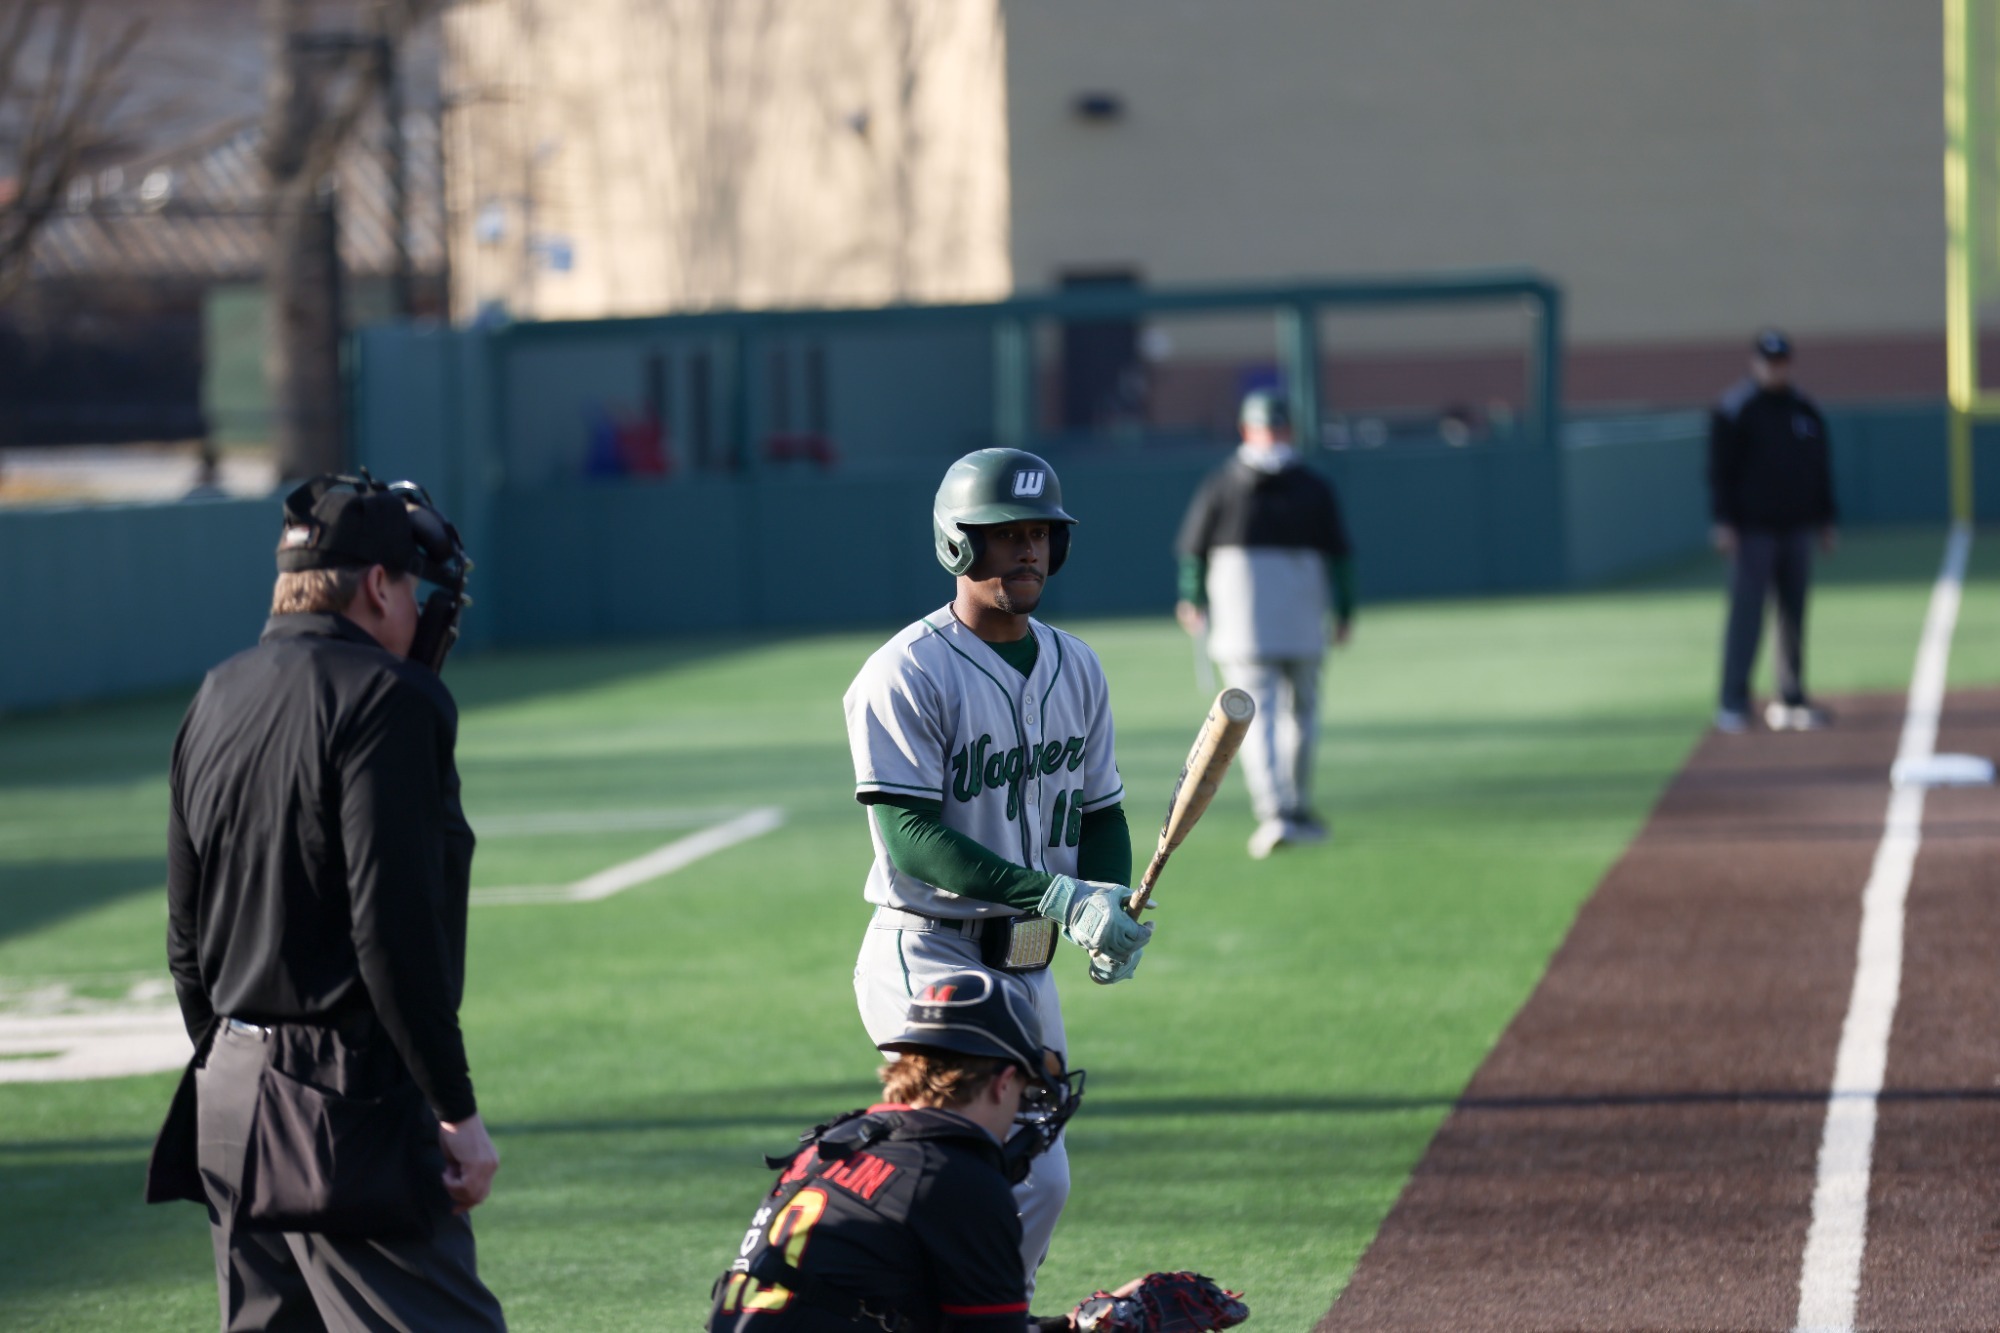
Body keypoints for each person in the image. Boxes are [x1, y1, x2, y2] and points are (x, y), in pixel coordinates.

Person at [146, 473, 505, 1332]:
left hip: (227, 1095)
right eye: (411, 590)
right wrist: (455, 1107)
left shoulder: (216, 691)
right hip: (346, 1112)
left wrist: (235, 1059)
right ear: (379, 584)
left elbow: (186, 938)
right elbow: (393, 934)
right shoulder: (392, 699)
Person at [843, 448, 1151, 1302]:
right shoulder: (905, 672)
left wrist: (1106, 894)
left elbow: (1101, 812)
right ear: (956, 546)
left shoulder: (1076, 665)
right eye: (1004, 535)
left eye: (1040, 534)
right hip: (930, 957)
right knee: (963, 1175)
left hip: (1026, 966)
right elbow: (906, 834)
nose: (1027, 551)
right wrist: (1055, 893)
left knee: (1040, 1182)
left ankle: (980, 1316)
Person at [709, 971, 1247, 1333]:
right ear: (1000, 1081)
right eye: (1022, 1090)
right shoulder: (954, 1178)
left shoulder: (836, 1145)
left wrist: (1077, 1323)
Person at [1174, 390, 1354, 859]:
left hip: (1280, 622)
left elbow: (1193, 550)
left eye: (1274, 428)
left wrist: (1345, 610)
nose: (1270, 436)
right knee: (1271, 717)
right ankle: (1281, 810)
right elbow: (1193, 554)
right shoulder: (1303, 485)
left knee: (1290, 716)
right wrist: (1192, 596)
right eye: (1264, 428)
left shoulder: (1227, 483)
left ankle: (1288, 808)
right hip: (1256, 622)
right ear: (1246, 430)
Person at [1707, 329, 1838, 733]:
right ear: (1755, 363)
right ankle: (1733, 700)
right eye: (1768, 361)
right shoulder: (1736, 409)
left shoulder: (1805, 409)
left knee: (1793, 613)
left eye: (1780, 361)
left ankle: (1791, 695)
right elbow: (1719, 472)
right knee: (1747, 613)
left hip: (1797, 525)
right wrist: (1723, 521)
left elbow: (1820, 469)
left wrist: (1827, 518)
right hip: (1754, 529)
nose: (1774, 368)